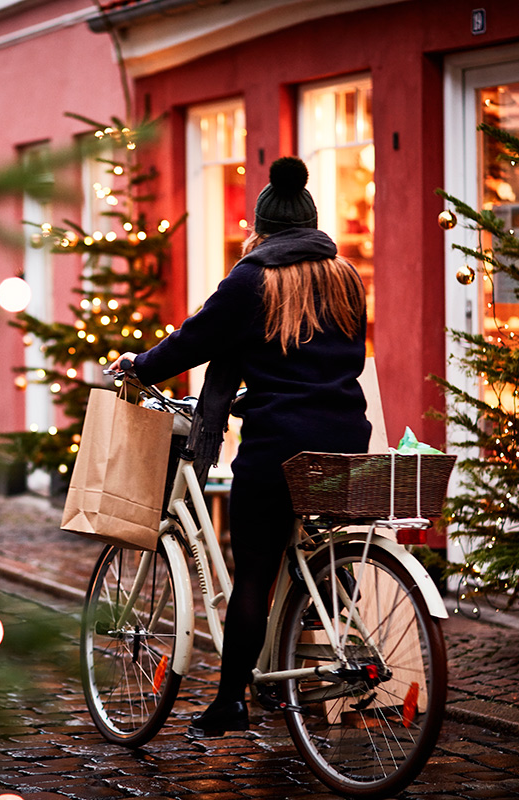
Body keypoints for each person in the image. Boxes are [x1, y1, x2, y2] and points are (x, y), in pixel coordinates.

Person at [109, 156, 371, 738]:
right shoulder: (347, 275)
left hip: (279, 442)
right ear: (311, 222)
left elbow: (195, 339)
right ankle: (296, 675)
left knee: (253, 571)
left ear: (262, 226)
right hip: (347, 437)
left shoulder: (253, 278)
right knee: (307, 553)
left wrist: (140, 364)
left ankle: (231, 700)